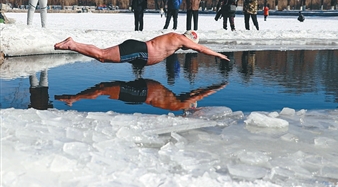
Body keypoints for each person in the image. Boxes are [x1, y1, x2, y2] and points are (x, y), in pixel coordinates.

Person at [54, 30, 230, 66]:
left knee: (102, 54)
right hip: (140, 50)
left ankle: (73, 44)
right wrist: (219, 55)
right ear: (191, 39)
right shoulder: (181, 39)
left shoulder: (174, 37)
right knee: (102, 55)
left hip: (138, 49)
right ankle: (72, 44)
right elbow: (201, 49)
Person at [55, 78, 227, 112]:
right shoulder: (177, 100)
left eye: (193, 101)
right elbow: (197, 92)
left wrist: (217, 88)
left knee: (102, 89)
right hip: (140, 87)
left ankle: (73, 99)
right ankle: (74, 97)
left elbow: (201, 94)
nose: (192, 97)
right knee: (103, 86)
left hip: (140, 93)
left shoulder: (179, 105)